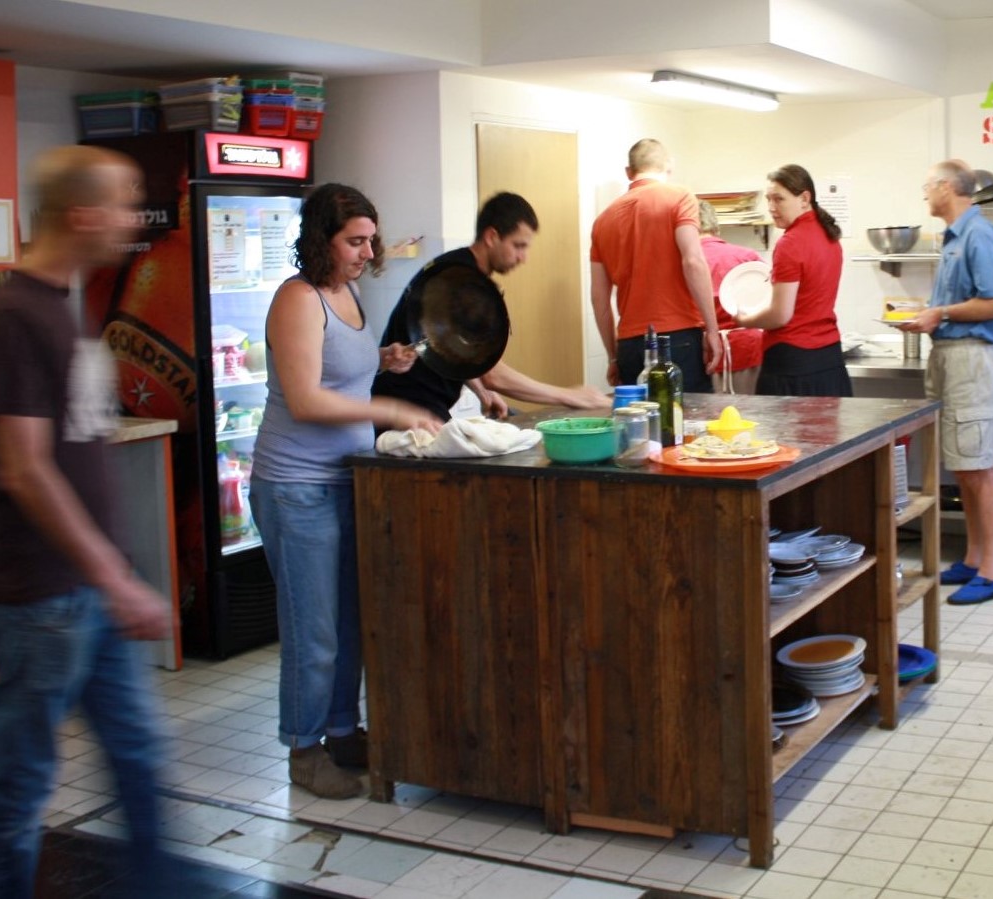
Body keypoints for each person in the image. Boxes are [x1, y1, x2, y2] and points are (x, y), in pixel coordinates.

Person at [0, 145, 171, 897]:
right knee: (19, 785)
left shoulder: (63, 302)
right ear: (82, 214)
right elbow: (24, 468)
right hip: (42, 599)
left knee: (139, 756)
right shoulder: (14, 316)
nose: (133, 219)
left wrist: (111, 575)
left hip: (88, 591)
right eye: (123, 204)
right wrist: (113, 575)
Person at [250, 183, 440, 800]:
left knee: (350, 622)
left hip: (345, 479)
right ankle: (304, 751)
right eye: (355, 241)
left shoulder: (346, 293)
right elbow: (306, 399)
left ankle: (341, 731)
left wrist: (383, 360)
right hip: (295, 487)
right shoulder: (298, 299)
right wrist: (389, 409)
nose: (367, 253)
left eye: (371, 241)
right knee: (314, 631)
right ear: (321, 240)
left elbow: (338, 368)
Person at [374, 192, 608, 421]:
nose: (523, 257)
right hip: (403, 412)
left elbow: (449, 345)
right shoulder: (463, 285)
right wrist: (571, 396)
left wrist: (482, 390)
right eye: (518, 246)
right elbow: (494, 376)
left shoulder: (456, 269)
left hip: (413, 405)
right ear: (492, 237)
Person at [898, 160, 993, 605]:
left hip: (971, 358)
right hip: (949, 356)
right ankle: (972, 559)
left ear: (946, 187)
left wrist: (941, 313)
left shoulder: (978, 234)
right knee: (963, 467)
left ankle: (991, 573)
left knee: (978, 467)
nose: (924, 194)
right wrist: (932, 315)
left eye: (928, 186)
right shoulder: (954, 237)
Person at [590, 138, 721, 389]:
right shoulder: (680, 198)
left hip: (629, 344)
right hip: (678, 338)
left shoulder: (602, 220)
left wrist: (613, 356)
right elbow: (693, 261)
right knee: (687, 412)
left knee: (641, 414)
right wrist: (712, 330)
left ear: (629, 172)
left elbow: (598, 299)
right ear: (668, 167)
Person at [734, 164, 852, 397]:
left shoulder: (790, 243)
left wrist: (744, 320)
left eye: (779, 199)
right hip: (830, 359)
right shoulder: (830, 236)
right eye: (768, 199)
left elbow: (780, 315)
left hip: (792, 362)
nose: (771, 207)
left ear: (804, 198)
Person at [696, 200, 765, 394]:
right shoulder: (748, 257)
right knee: (750, 410)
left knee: (706, 411)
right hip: (749, 347)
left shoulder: (685, 261)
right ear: (715, 226)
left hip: (702, 350)